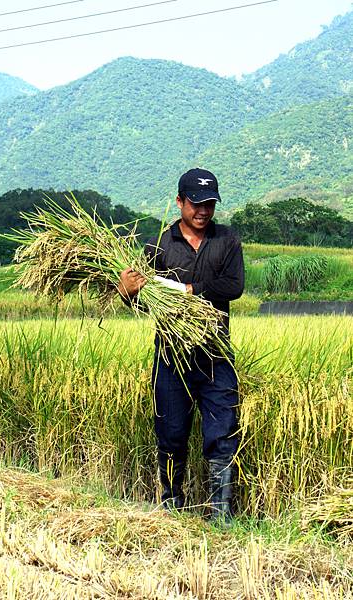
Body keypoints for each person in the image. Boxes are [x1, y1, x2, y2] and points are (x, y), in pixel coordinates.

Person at [117, 168, 244, 523]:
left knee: (222, 432)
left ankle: (221, 514)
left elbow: (233, 286)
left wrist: (189, 290)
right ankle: (172, 508)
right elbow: (143, 297)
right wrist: (126, 292)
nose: (203, 210)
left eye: (210, 204)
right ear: (180, 201)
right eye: (195, 203)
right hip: (171, 356)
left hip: (216, 354)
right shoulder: (159, 244)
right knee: (171, 433)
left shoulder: (228, 240)